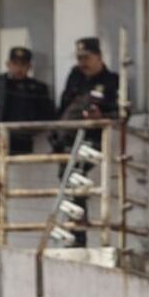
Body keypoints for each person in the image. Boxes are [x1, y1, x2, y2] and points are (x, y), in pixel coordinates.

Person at [0, 46, 54, 233]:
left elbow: (49, 117)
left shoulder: (37, 89)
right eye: (14, 64)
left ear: (29, 67)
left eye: (23, 65)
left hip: (21, 140)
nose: (18, 69)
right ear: (8, 65)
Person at [50, 37, 120, 247]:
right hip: (69, 138)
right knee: (68, 178)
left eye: (87, 58)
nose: (83, 63)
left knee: (76, 176)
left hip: (93, 139)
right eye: (79, 58)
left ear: (98, 57)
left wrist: (100, 116)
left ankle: (78, 235)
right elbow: (64, 105)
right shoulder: (75, 77)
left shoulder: (111, 81)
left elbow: (119, 112)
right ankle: (74, 232)